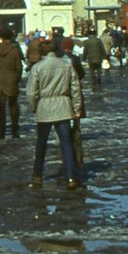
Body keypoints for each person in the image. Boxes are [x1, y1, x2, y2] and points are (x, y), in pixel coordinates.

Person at [27, 35, 84, 189]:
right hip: (63, 106)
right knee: (66, 143)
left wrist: (34, 107)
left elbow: (31, 93)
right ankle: (71, 176)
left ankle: (38, 173)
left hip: (44, 107)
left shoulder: (37, 67)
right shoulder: (66, 65)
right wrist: (76, 109)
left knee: (41, 143)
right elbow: (75, 89)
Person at [0, 26, 23, 139]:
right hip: (11, 78)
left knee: (0, 107)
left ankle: (1, 132)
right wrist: (17, 78)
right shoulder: (14, 50)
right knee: (13, 105)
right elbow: (19, 67)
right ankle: (14, 130)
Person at [61, 37, 86, 171]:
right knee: (76, 131)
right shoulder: (74, 59)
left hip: (62, 98)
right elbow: (82, 74)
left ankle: (67, 162)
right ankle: (78, 161)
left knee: (64, 133)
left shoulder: (60, 60)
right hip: (75, 95)